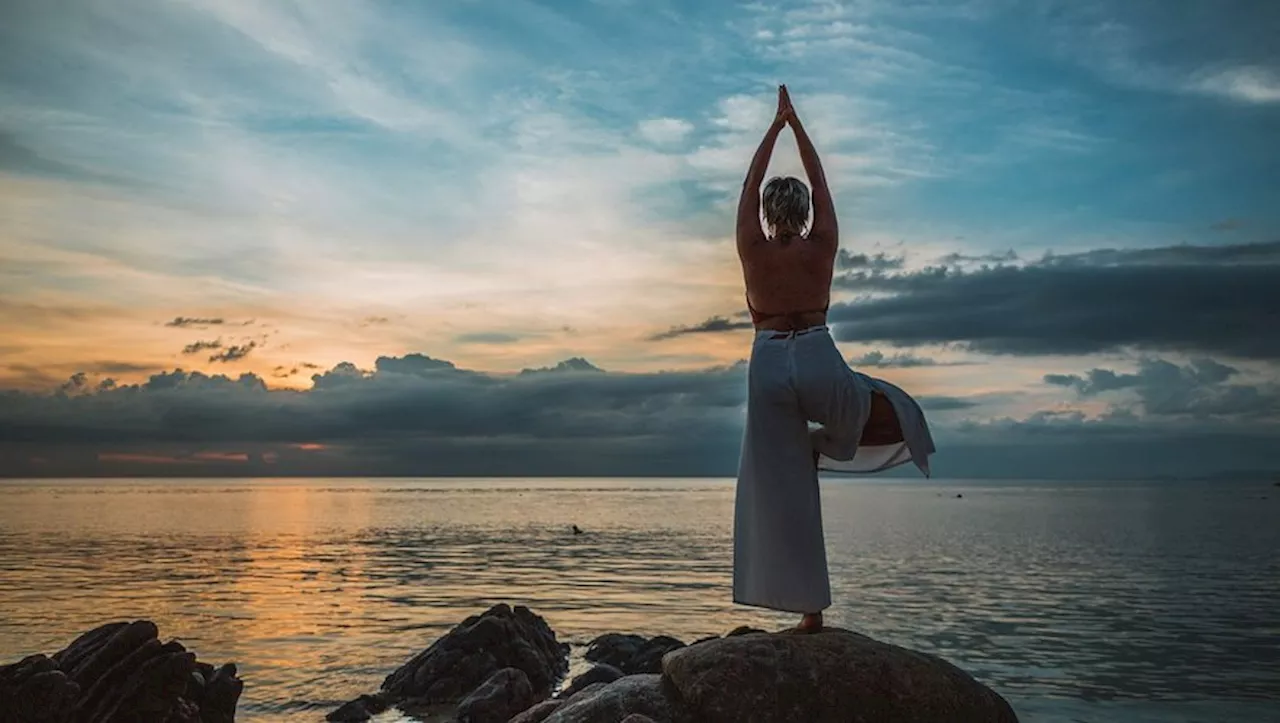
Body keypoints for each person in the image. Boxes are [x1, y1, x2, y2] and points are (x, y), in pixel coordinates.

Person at [733, 85, 936, 633]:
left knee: (781, 485)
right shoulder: (821, 243)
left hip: (770, 359)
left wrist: (771, 128)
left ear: (769, 213)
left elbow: (749, 186)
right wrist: (796, 125)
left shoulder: (752, 249)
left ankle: (809, 610)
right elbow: (820, 183)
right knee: (862, 407)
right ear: (802, 211)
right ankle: (832, 445)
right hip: (818, 352)